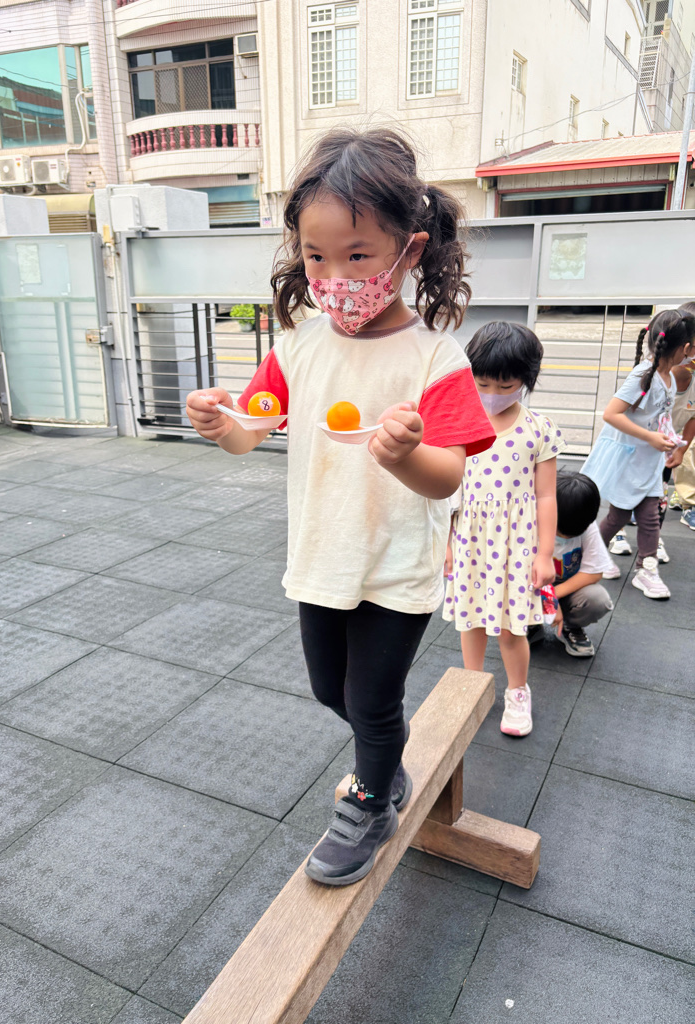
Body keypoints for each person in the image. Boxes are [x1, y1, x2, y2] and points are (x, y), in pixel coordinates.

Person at [186, 127, 495, 887]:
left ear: (409, 252)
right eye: (316, 257)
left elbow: (447, 476)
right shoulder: (297, 346)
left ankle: (369, 800)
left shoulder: (435, 357)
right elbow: (251, 429)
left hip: (396, 565)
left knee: (371, 700)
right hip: (322, 554)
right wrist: (223, 425)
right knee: (332, 690)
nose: (334, 277)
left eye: (357, 256)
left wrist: (405, 455)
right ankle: (383, 764)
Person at [443, 322, 564, 738]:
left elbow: (546, 496)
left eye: (505, 384)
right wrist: (446, 544)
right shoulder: (461, 422)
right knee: (470, 620)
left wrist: (544, 554)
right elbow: (448, 491)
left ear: (525, 380)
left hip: (517, 545)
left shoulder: (538, 429)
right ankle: (471, 686)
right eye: (483, 383)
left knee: (513, 629)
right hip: (470, 539)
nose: (493, 393)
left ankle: (517, 691)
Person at [583, 308, 695, 598]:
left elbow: (661, 417)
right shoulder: (644, 375)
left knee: (649, 518)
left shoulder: (668, 377)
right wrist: (651, 438)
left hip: (648, 462)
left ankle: (646, 569)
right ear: (685, 348)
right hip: (631, 460)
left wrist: (672, 442)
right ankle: (592, 555)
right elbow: (611, 414)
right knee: (618, 516)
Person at [537, 471, 614, 657]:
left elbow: (594, 573)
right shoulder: (529, 522)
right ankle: (529, 625)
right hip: (532, 585)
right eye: (560, 533)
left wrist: (552, 597)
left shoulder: (586, 524)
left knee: (598, 599)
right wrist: (547, 599)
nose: (566, 539)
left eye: (573, 536)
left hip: (565, 590)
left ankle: (570, 626)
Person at [667, 301, 695, 528]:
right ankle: (688, 501)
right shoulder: (671, 370)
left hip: (684, 418)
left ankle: (685, 496)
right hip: (659, 430)